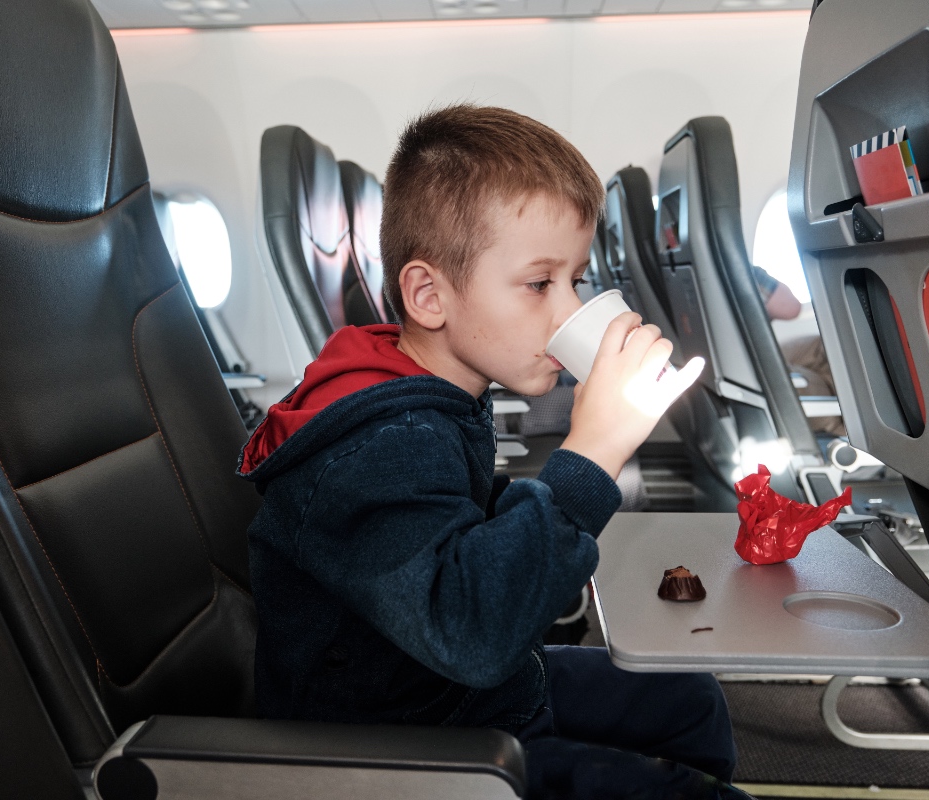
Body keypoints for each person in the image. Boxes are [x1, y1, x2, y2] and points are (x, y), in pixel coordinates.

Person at [238, 105, 751, 800]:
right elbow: (469, 632)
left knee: (689, 699)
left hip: (461, 690)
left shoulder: (431, 391)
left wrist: (548, 492)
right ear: (428, 295)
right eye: (540, 284)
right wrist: (591, 452)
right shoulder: (376, 445)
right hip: (402, 746)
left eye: (573, 280)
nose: (568, 310)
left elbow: (450, 528)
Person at [752, 265, 844, 437]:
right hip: (756, 369)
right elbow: (791, 308)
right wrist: (756, 274)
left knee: (826, 345)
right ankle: (848, 427)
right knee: (819, 380)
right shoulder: (735, 267)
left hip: (749, 359)